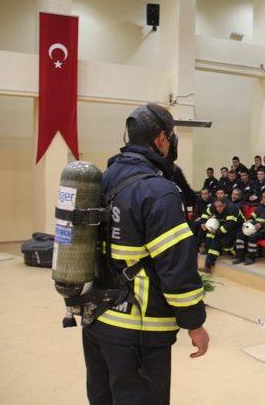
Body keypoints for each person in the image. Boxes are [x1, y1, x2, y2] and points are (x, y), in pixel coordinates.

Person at [83, 103, 208, 404]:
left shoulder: (106, 177)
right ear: (162, 139)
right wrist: (195, 323)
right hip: (137, 331)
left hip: (96, 322)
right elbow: (176, 269)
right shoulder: (159, 191)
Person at [233, 191, 265, 265]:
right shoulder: (260, 207)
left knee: (253, 237)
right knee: (240, 234)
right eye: (264, 198)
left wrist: (261, 225)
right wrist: (248, 223)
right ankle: (240, 256)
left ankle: (251, 257)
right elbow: (252, 217)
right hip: (254, 228)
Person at [201, 198, 244, 272]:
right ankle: (207, 266)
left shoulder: (232, 208)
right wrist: (203, 223)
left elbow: (230, 224)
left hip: (237, 227)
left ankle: (234, 252)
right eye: (216, 207)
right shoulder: (214, 207)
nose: (218, 209)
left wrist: (217, 232)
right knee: (215, 241)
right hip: (224, 225)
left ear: (224, 205)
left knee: (224, 240)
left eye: (220, 206)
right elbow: (205, 213)